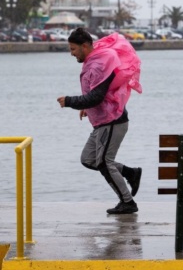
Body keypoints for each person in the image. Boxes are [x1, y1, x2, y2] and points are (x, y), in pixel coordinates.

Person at [57, 27, 142, 214]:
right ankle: (130, 173)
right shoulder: (95, 57)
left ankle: (128, 202)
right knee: (88, 159)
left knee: (104, 162)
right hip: (102, 121)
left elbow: (96, 96)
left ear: (85, 46)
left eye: (73, 49)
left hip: (113, 121)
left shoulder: (100, 64)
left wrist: (71, 101)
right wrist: (86, 108)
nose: (71, 54)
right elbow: (97, 94)